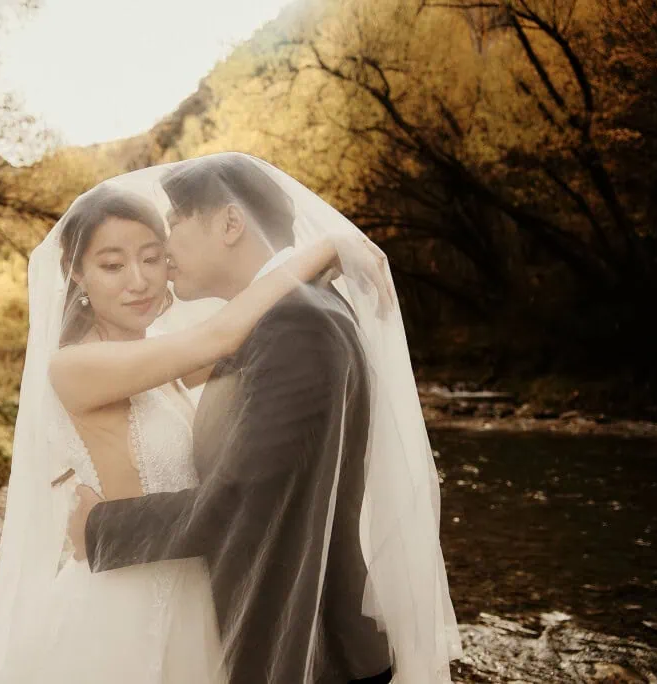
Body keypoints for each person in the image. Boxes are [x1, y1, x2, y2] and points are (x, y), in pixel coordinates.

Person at [68, 152, 463, 683]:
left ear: (230, 223)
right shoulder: (279, 317)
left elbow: (243, 504)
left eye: (176, 223)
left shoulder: (296, 324)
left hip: (312, 651)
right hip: (279, 638)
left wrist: (99, 530)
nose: (166, 248)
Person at [0, 175, 341, 683]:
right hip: (123, 607)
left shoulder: (156, 360)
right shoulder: (76, 367)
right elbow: (226, 333)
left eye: (152, 257)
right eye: (112, 265)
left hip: (190, 596)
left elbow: (249, 346)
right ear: (77, 275)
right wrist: (323, 251)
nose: (139, 280)